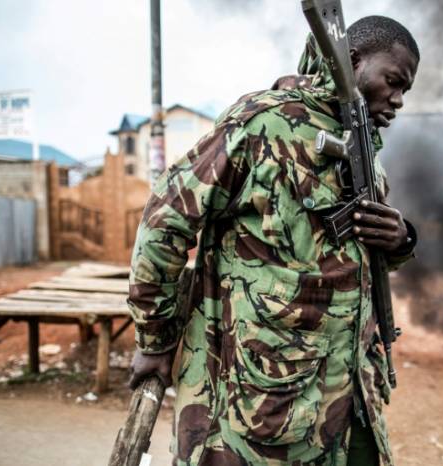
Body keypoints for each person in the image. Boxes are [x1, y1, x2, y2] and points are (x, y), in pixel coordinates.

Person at [127, 15, 420, 466]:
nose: (399, 100)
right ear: (354, 59)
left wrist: (401, 239)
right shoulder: (264, 123)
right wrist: (154, 338)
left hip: (349, 399)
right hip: (260, 406)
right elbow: (165, 222)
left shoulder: (364, 147)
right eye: (393, 81)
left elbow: (354, 257)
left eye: (406, 90)